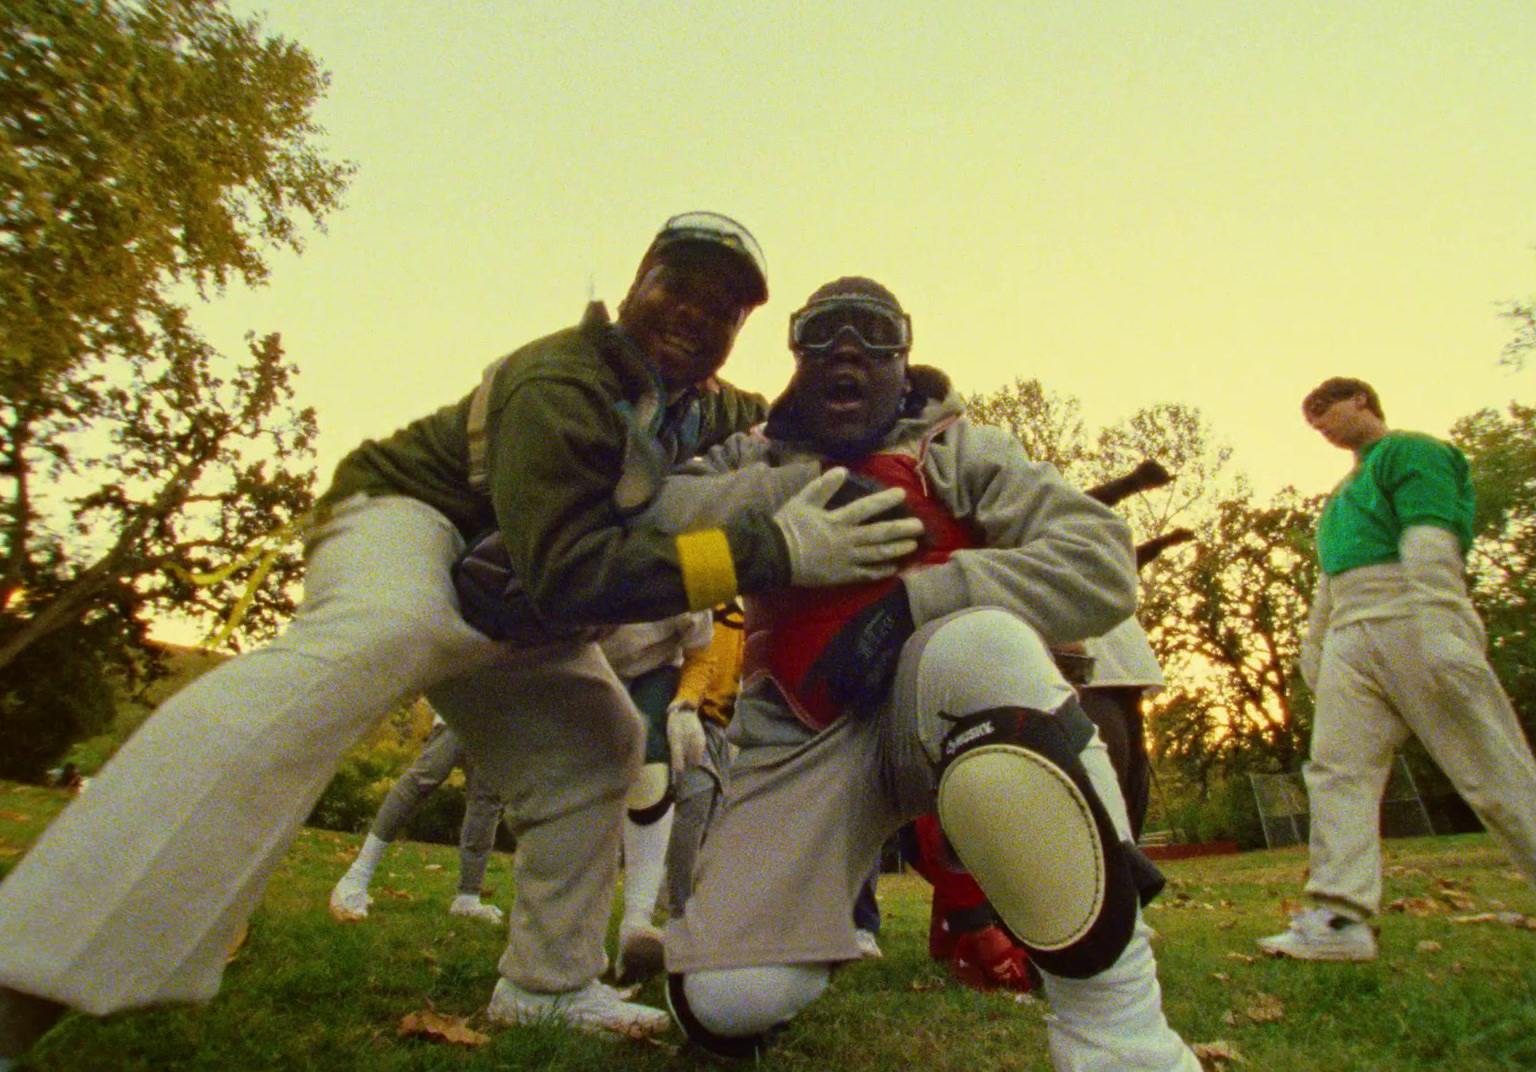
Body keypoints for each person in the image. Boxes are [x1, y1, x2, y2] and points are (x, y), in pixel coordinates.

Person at [0, 214, 925, 1062]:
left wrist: (896, 385)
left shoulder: (701, 403)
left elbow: (798, 416)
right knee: (377, 640)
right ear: (637, 282)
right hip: (412, 521)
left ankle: (547, 986)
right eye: (679, 285)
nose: (696, 313)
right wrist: (771, 549)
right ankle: (24, 969)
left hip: (510, 596)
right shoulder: (561, 379)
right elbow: (571, 572)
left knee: (597, 745)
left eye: (725, 306)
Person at [652, 277, 1201, 1070]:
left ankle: (1123, 1038)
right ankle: (777, 944)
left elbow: (1101, 562)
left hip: (947, 697)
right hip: (800, 729)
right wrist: (792, 508)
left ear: (905, 358)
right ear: (796, 353)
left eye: (874, 333)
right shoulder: (749, 452)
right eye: (824, 331)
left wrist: (919, 600)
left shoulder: (959, 446)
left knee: (985, 645)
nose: (848, 348)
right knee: (731, 1001)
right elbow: (652, 510)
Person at [1258, 376, 1536, 961]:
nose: (1321, 426)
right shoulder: (1340, 495)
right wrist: (1316, 644)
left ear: (1361, 399)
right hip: (1350, 634)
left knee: (1487, 763)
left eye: (1326, 411)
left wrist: (1441, 620)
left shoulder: (1413, 451)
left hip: (1412, 611)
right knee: (1337, 771)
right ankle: (1340, 919)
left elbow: (1428, 535)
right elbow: (1328, 578)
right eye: (1311, 422)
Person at [595, 610, 715, 982]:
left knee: (651, 769)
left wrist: (686, 704)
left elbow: (700, 652)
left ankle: (637, 920)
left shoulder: (692, 571)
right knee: (583, 785)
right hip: (582, 660)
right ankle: (576, 923)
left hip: (655, 670)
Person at [329, 713, 508, 925]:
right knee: (420, 782)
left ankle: (467, 898)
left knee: (486, 804)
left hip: (500, 724)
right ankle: (355, 879)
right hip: (463, 708)